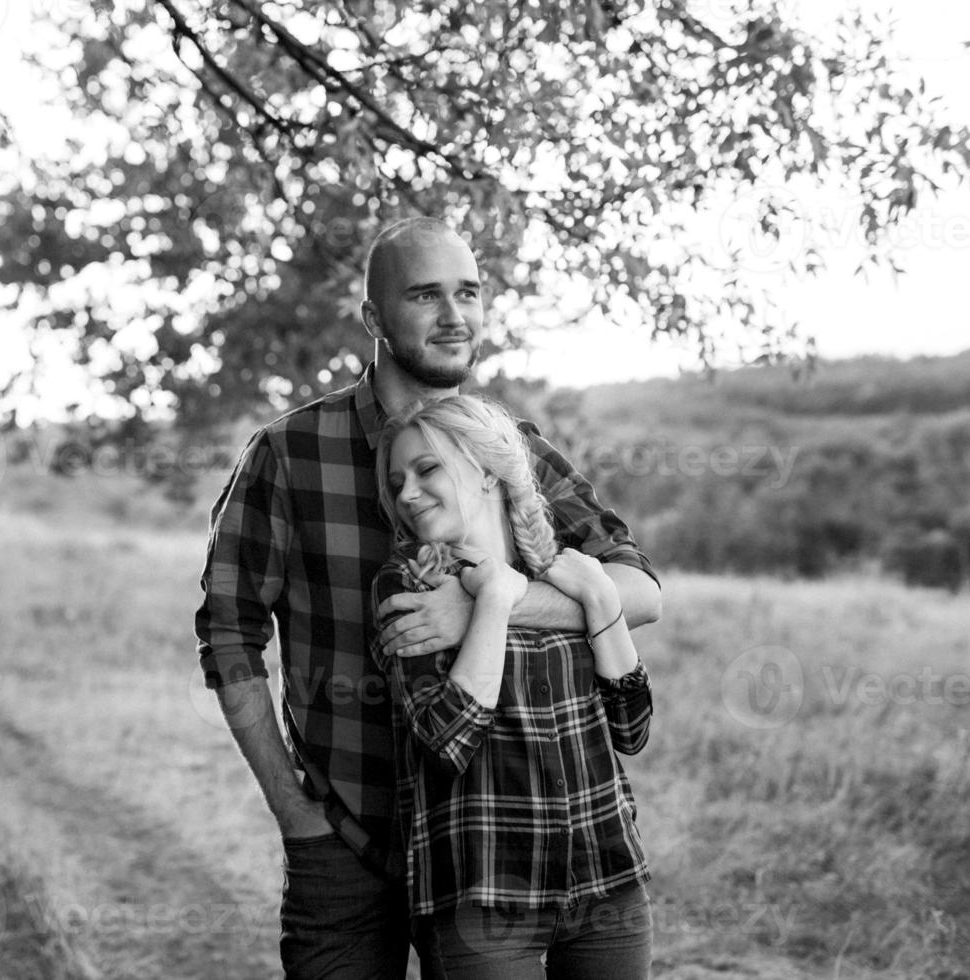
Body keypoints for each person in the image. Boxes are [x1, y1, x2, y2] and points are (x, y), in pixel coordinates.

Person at [194, 216, 662, 980]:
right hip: (349, 835)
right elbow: (227, 633)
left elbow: (639, 591)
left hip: (493, 843)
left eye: (469, 293)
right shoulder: (288, 454)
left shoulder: (505, 446)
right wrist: (294, 812)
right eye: (425, 295)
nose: (454, 315)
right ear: (375, 319)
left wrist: (488, 607)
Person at [372, 394, 653, 979]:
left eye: (427, 470)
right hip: (484, 898)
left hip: (605, 879)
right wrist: (494, 602)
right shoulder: (410, 584)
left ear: (487, 472)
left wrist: (599, 595)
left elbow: (632, 729)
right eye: (397, 482)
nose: (407, 494)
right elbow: (446, 740)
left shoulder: (564, 572)